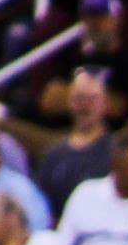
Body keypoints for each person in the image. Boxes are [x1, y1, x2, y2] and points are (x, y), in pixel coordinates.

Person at [35, 68, 114, 221]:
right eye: (79, 98)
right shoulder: (53, 155)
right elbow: (44, 207)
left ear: (105, 103)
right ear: (70, 101)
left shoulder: (115, 152)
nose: (84, 106)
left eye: (92, 99)